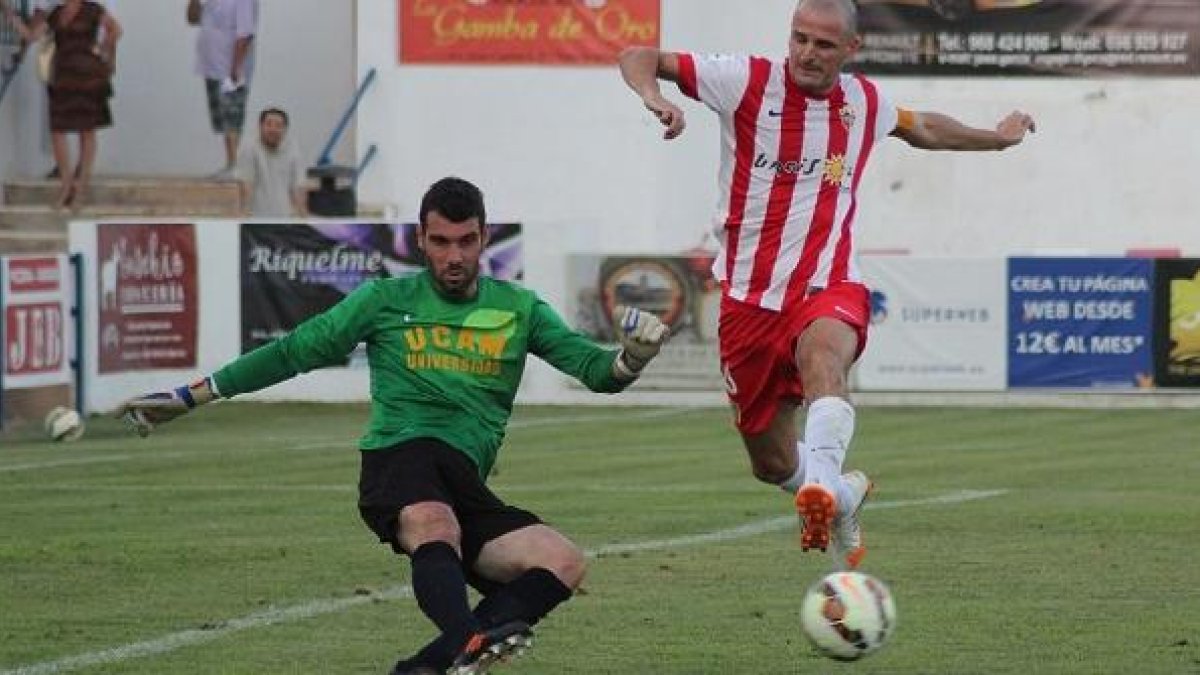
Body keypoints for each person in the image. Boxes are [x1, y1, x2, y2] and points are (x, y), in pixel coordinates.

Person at [118, 177, 670, 675]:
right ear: (422, 240)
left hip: (462, 480)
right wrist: (193, 395)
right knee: (435, 523)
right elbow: (291, 352)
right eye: (440, 242)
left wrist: (633, 358)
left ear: (483, 238)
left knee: (562, 561)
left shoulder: (519, 309)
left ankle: (428, 667)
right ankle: (467, 640)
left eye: (466, 241)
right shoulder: (384, 300)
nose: (453, 255)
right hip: (399, 459)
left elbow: (595, 370)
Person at [618, 0, 1035, 569]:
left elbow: (925, 129)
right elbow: (639, 55)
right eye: (800, 39)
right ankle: (839, 493)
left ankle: (819, 489)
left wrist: (996, 137)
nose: (807, 53)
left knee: (824, 362)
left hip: (826, 284)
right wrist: (654, 97)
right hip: (747, 300)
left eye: (823, 44)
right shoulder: (743, 81)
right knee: (768, 461)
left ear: (850, 50)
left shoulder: (862, 102)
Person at [3, 0, 120, 209]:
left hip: (88, 76)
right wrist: (11, 15)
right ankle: (66, 185)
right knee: (58, 129)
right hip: (63, 77)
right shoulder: (56, 13)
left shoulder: (93, 10)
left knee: (87, 131)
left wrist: (106, 51)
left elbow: (115, 29)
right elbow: (32, 35)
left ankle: (80, 187)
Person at [187, 0, 258, 178]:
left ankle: (236, 165)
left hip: (231, 67)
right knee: (221, 118)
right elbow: (193, 19)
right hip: (211, 65)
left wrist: (236, 67)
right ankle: (230, 164)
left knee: (232, 115)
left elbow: (246, 33)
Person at [236, 106, 308, 217]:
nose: (273, 129)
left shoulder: (294, 149)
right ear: (260, 127)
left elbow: (298, 186)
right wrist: (244, 215)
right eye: (268, 124)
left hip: (286, 218)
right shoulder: (249, 148)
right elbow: (246, 184)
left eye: (278, 126)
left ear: (285, 129)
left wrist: (304, 217)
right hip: (257, 218)